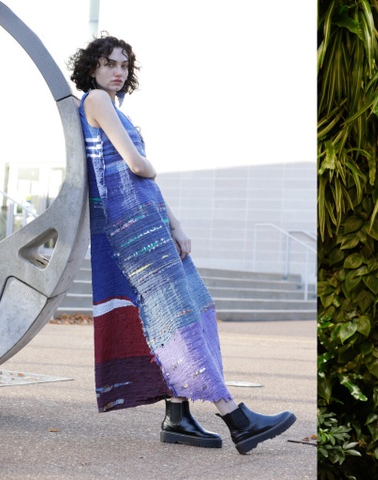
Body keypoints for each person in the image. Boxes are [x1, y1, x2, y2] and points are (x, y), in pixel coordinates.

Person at [69, 35, 296, 453]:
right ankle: (235, 417)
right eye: (108, 64)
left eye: (123, 65)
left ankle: (178, 417)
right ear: (92, 69)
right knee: (176, 315)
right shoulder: (96, 101)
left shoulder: (113, 107)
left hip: (147, 219)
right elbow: (137, 166)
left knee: (182, 311)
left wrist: (175, 224)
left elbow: (140, 179)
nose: (117, 71)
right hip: (132, 227)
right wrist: (149, 166)